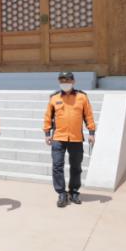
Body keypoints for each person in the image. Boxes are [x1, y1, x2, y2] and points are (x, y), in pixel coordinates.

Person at [43, 72, 96, 208]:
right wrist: (47, 133)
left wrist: (91, 132)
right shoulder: (54, 98)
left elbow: (88, 116)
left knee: (76, 167)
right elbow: (48, 116)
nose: (64, 83)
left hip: (76, 138)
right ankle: (61, 193)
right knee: (57, 166)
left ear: (73, 81)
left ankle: (73, 192)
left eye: (67, 80)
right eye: (62, 81)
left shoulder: (82, 97)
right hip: (58, 138)